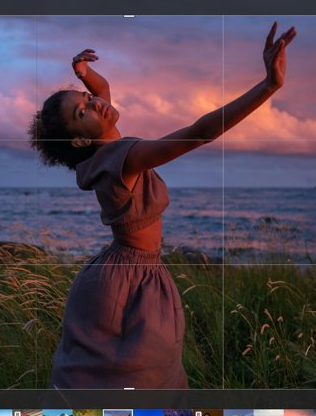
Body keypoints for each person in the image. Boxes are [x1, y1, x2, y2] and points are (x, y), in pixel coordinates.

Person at [28, 23, 297, 389]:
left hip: (125, 272)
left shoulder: (100, 154)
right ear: (78, 139)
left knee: (117, 378)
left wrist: (86, 74)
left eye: (86, 98)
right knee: (137, 377)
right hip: (128, 280)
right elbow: (200, 132)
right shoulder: (122, 157)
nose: (95, 102)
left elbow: (104, 93)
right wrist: (269, 85)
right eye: (82, 111)